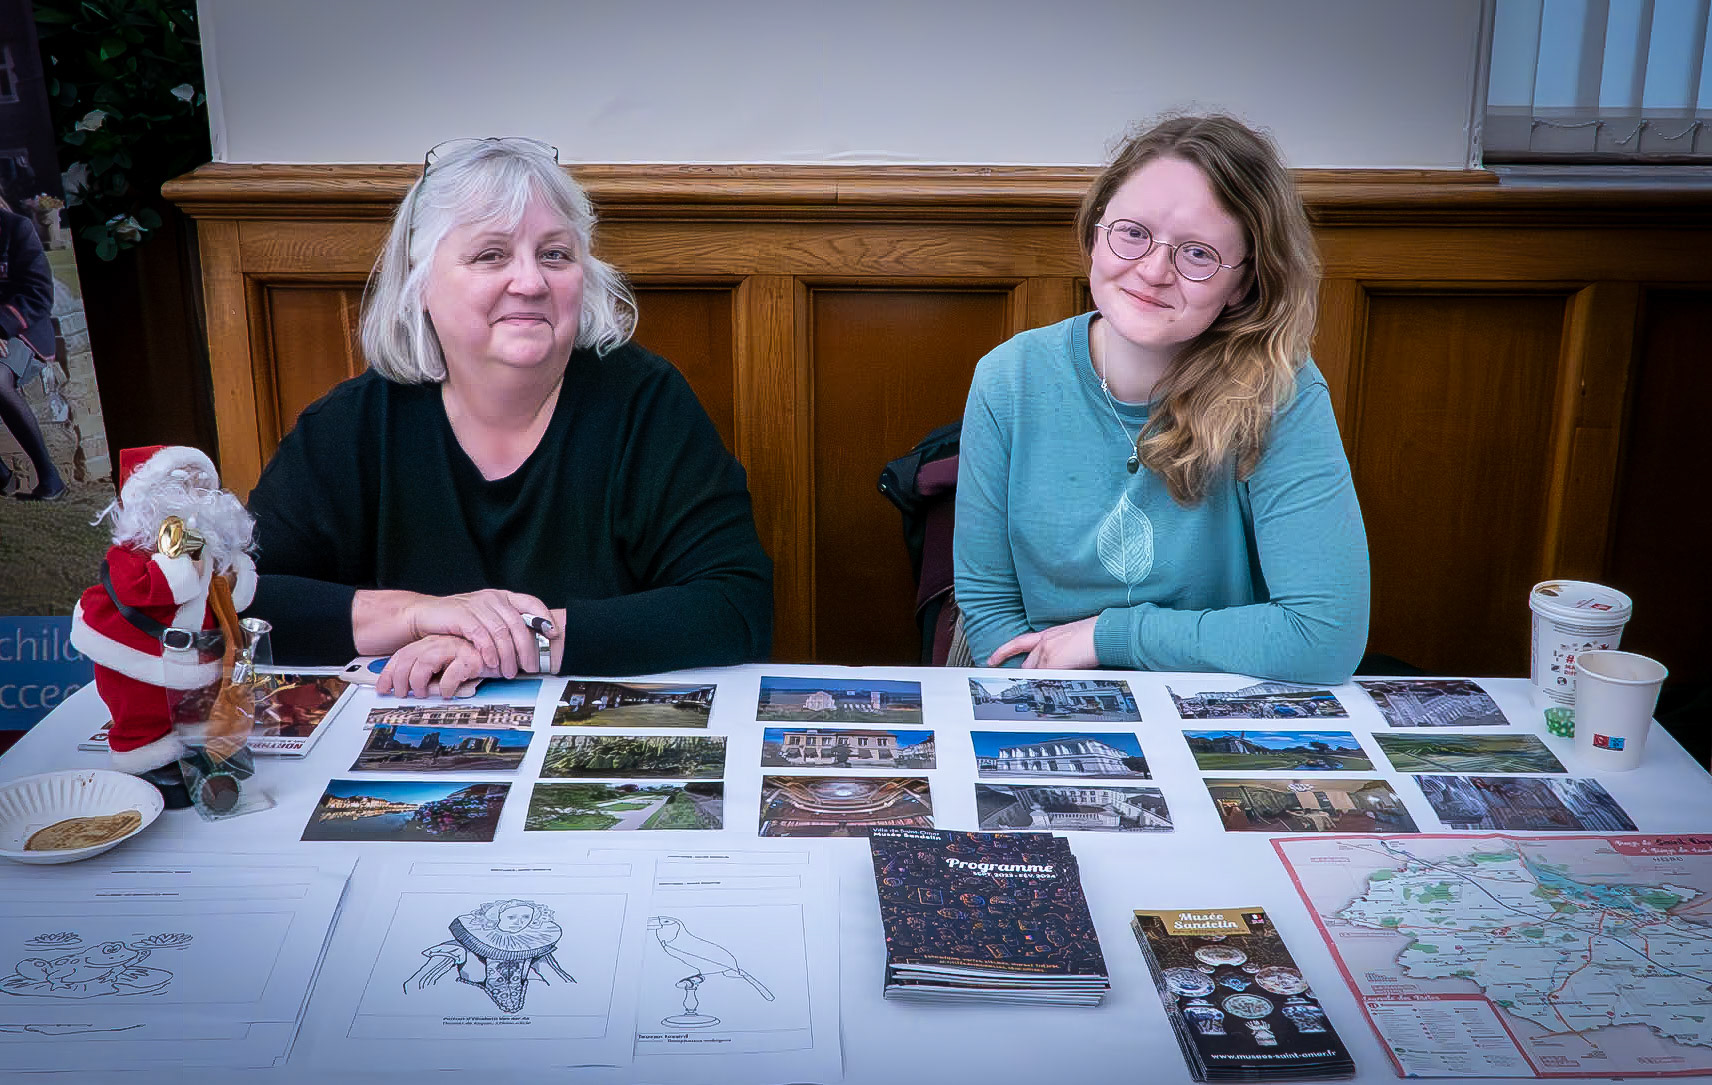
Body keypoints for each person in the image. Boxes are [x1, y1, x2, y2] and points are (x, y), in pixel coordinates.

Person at [244, 137, 772, 693]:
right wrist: (419, 615)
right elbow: (235, 601)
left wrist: (516, 643)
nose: (531, 282)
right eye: (490, 255)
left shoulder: (645, 401)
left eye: (555, 254)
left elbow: (736, 606)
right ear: (419, 284)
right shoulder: (353, 425)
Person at [954, 114, 1368, 685]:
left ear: (1243, 282)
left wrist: (1109, 636)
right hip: (1041, 688)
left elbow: (1324, 636)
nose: (1152, 271)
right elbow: (991, 611)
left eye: (1198, 254)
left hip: (1214, 701)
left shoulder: (1280, 391)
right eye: (1132, 232)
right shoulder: (1008, 379)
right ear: (1097, 231)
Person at [0, 197, 65, 500]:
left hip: (23, 328)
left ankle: (51, 478)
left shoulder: (17, 227)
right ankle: (2, 477)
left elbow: (39, 293)